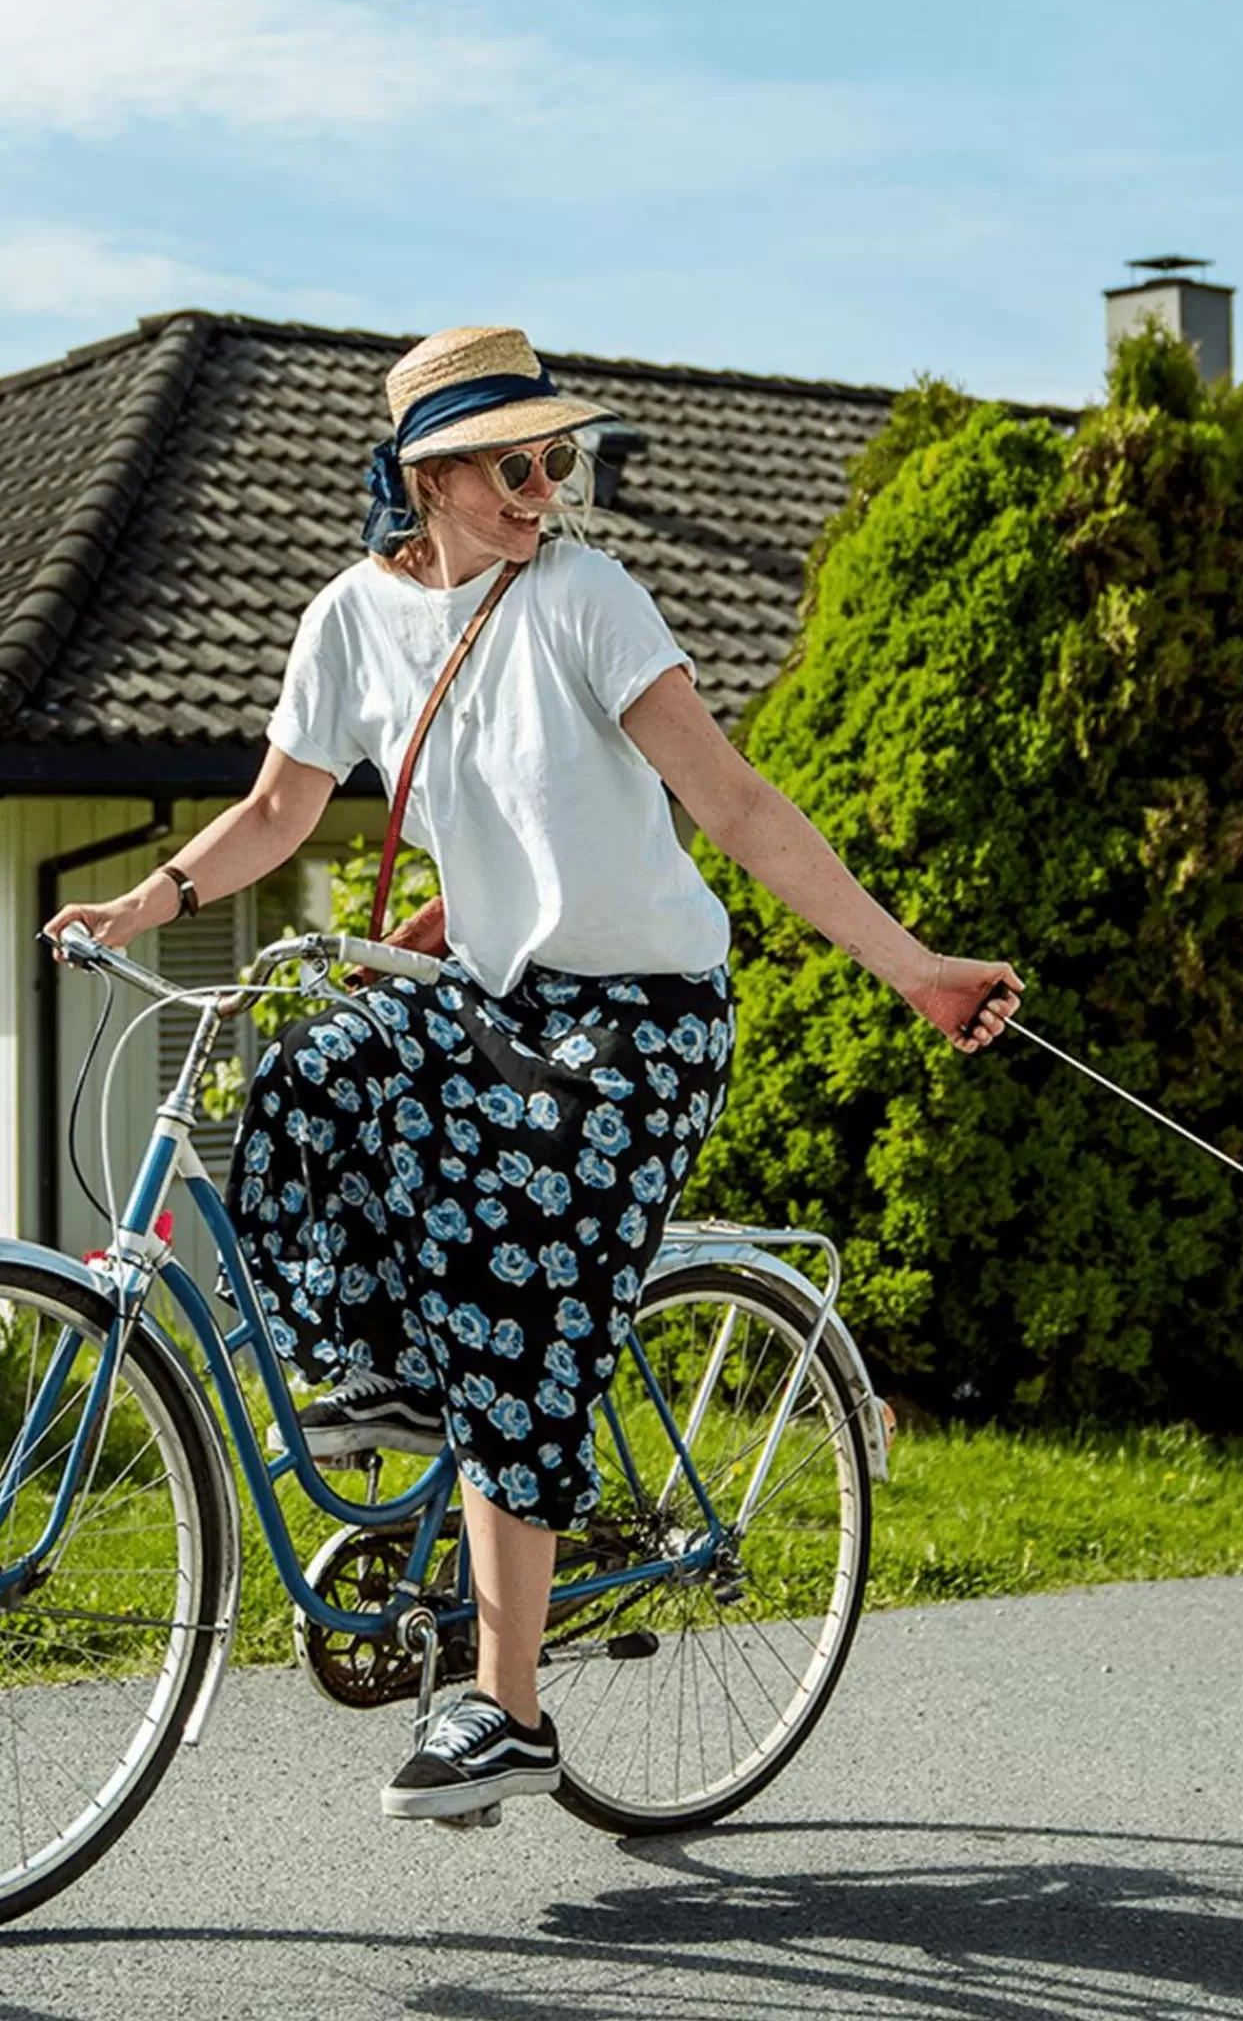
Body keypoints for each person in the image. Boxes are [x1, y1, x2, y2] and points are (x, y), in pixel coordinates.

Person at [45, 323, 1022, 1821]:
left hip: (643, 1022)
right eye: (516, 461)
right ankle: (392, 1373)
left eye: (558, 457)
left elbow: (740, 807)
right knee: (314, 1074)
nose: (546, 486)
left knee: (513, 1269)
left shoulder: (585, 597)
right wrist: (143, 904)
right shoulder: (348, 624)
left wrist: (916, 968)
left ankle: (505, 1712)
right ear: (425, 472)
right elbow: (273, 811)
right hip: (501, 1001)